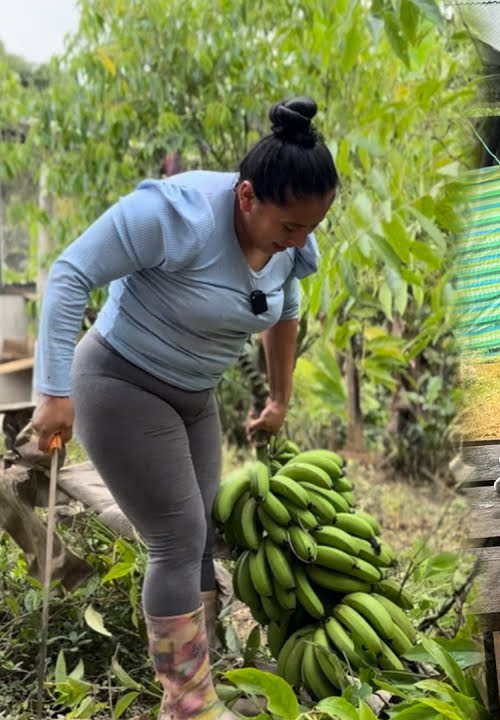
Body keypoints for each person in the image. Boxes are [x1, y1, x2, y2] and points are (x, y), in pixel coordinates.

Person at [30, 97, 338, 720]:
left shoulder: (288, 241)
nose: (299, 242)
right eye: (289, 227)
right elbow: (68, 275)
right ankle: (189, 705)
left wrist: (279, 396)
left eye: (311, 228)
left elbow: (288, 308)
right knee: (176, 538)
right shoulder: (174, 215)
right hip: (119, 383)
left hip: (194, 398)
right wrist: (53, 391)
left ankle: (202, 671)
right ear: (247, 197)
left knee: (201, 539)